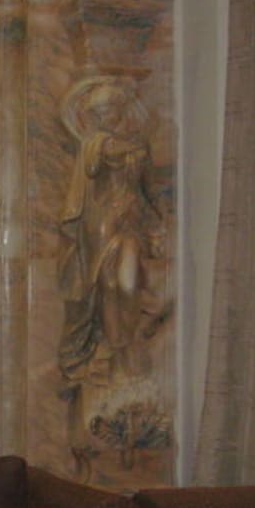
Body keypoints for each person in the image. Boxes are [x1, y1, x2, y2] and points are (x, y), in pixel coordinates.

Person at [57, 72, 166, 392]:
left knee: (127, 282)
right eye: (97, 113)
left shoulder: (139, 148)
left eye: (107, 111)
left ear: (119, 109)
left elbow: (149, 190)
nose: (102, 118)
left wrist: (160, 226)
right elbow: (96, 164)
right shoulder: (95, 145)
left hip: (132, 222)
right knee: (106, 283)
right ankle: (116, 346)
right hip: (101, 224)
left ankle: (131, 335)